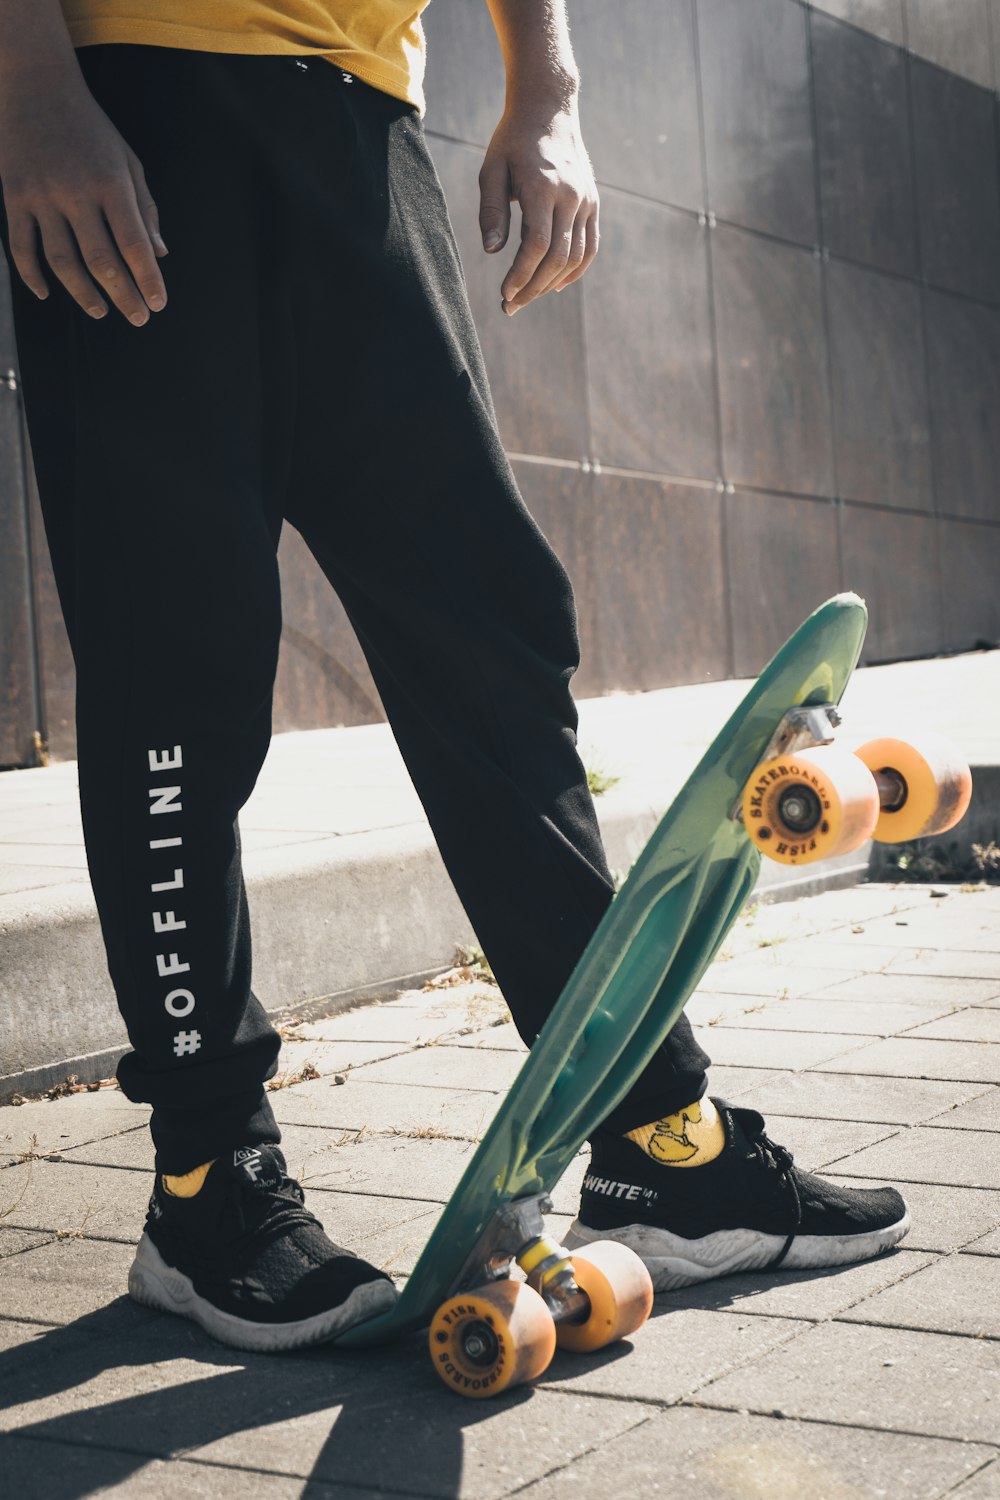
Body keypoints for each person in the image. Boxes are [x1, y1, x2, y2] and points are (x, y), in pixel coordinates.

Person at [0, 0, 909, 1354]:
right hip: (139, 104)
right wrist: (26, 79)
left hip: (364, 120)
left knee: (493, 625)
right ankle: (210, 1186)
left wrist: (549, 84)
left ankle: (654, 1129)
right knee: (176, 669)